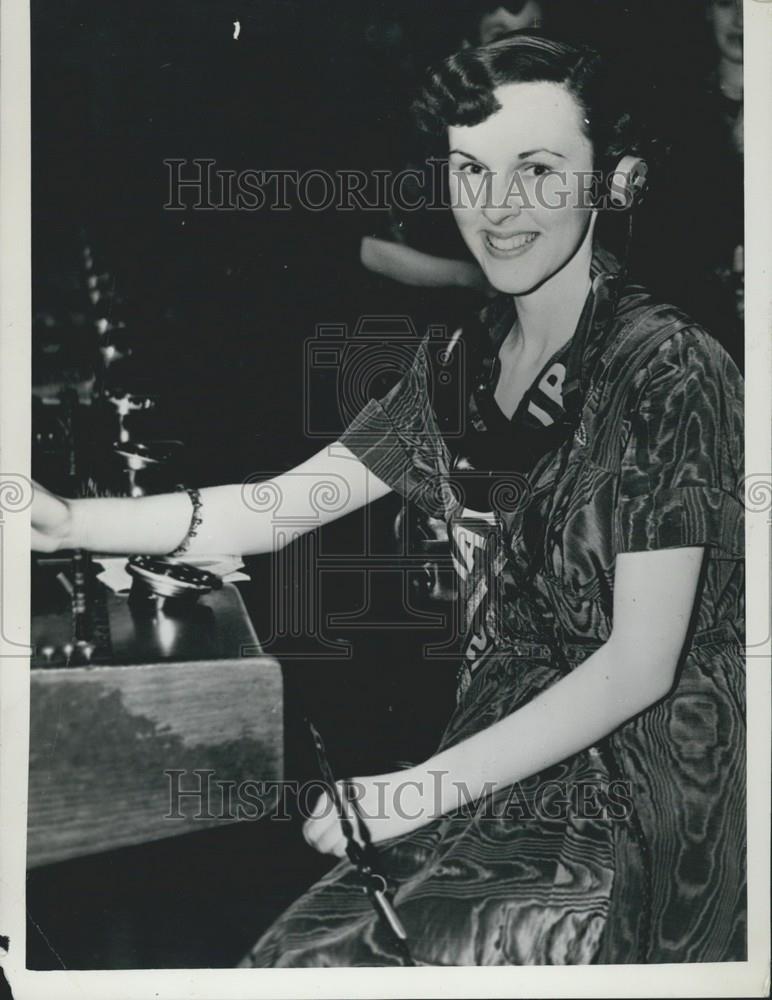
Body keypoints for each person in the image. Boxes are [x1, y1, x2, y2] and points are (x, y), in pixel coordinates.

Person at [33, 33, 745, 966]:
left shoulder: (671, 367)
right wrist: (67, 521)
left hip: (651, 806)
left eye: (536, 169)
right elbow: (279, 506)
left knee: (313, 966)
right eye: (470, 171)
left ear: (613, 181)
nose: (497, 207)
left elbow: (640, 664)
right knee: (292, 958)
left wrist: (414, 791)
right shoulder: (462, 363)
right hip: (500, 766)